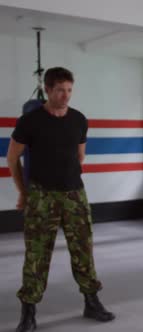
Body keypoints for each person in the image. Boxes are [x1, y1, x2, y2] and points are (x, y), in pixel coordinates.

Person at [7, 67, 115, 332]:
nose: (65, 96)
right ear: (47, 90)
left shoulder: (79, 119)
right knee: (36, 255)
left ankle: (91, 301)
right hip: (42, 196)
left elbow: (80, 156)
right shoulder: (30, 121)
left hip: (75, 195)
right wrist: (24, 191)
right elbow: (12, 158)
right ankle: (28, 312)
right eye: (59, 90)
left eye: (69, 90)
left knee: (83, 251)